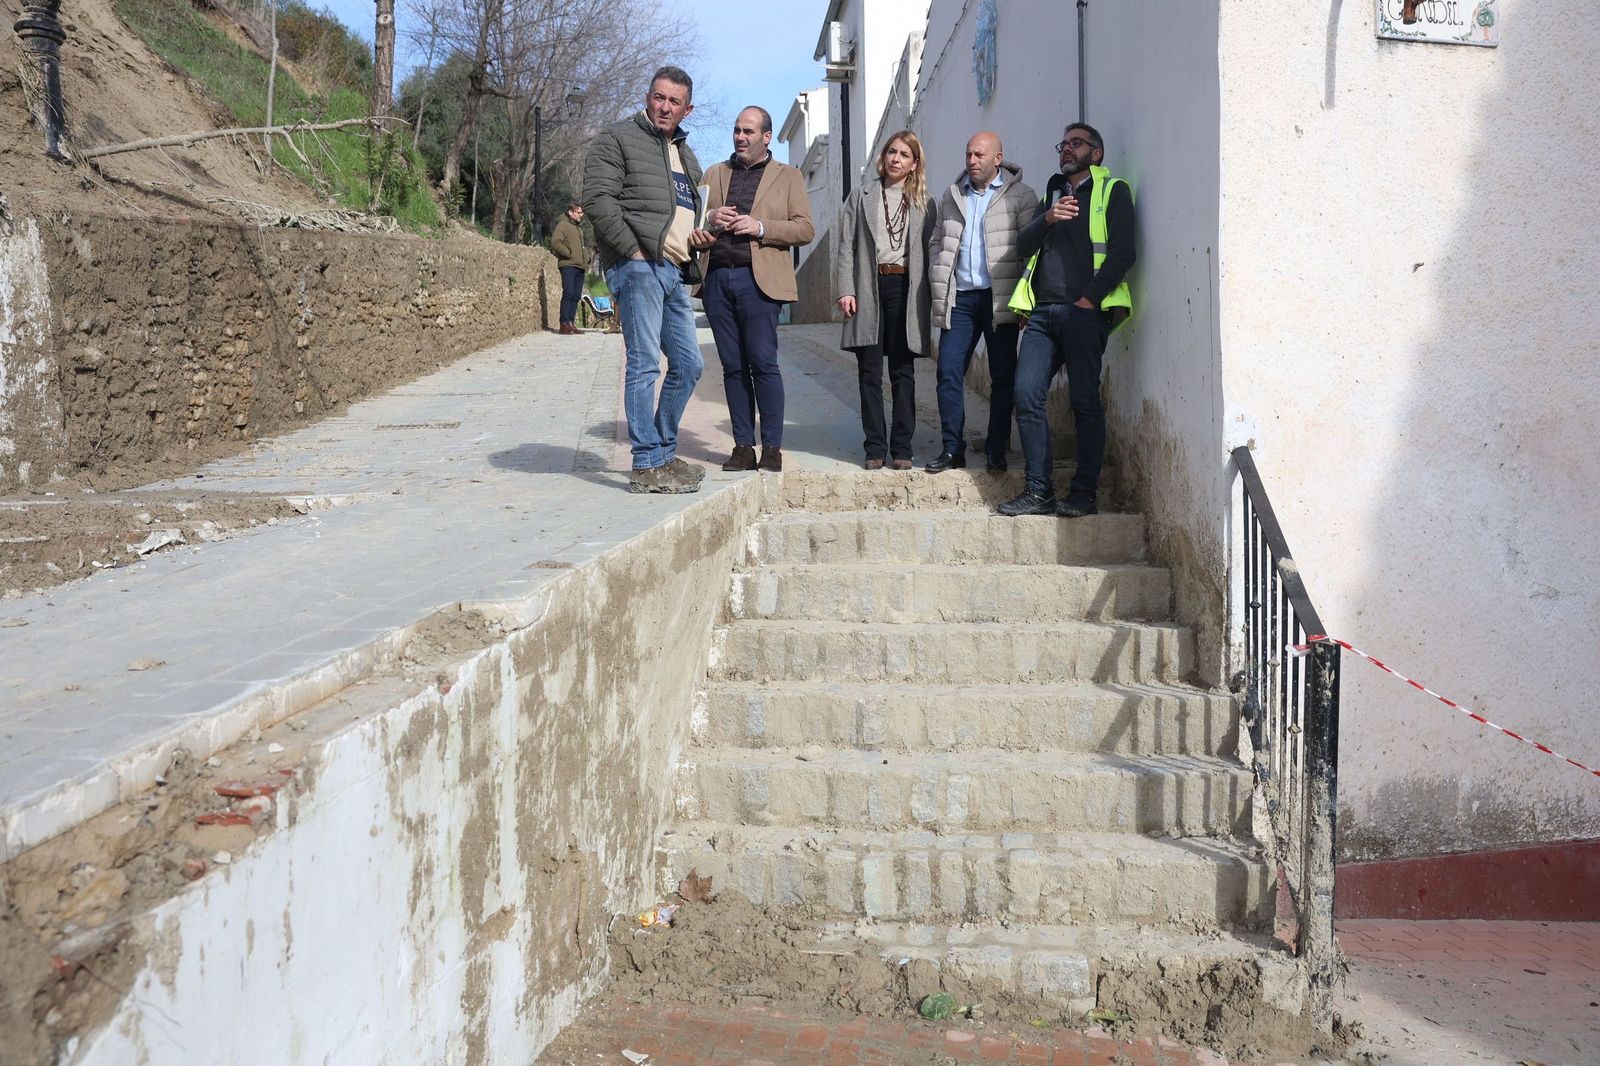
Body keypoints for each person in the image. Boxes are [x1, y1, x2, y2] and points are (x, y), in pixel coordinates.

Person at [998, 122, 1134, 518]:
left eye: (1077, 143)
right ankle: (1038, 491)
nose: (1067, 149)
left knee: (1084, 401)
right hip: (1042, 314)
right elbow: (1023, 246)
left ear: (1097, 152)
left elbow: (1124, 253)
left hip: (1083, 313)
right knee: (1026, 395)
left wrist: (1090, 299)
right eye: (1063, 144)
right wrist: (1048, 218)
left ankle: (1083, 492)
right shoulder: (1051, 194)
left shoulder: (1113, 191)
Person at [583, 65, 706, 495]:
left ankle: (663, 454)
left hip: (673, 270)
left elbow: (685, 214)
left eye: (674, 101)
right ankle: (645, 463)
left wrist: (700, 237)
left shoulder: (687, 156)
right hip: (638, 267)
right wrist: (634, 253)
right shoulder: (618, 138)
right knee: (644, 363)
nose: (664, 106)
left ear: (686, 109)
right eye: (659, 97)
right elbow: (597, 199)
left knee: (690, 366)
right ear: (648, 96)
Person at [690, 106, 815, 473]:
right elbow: (693, 226)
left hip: (759, 283)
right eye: (736, 130)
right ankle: (743, 446)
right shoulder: (714, 173)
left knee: (762, 363)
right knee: (732, 367)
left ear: (765, 136)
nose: (740, 137)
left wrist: (759, 227)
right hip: (716, 280)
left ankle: (771, 448)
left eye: (748, 131)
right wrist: (711, 220)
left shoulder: (788, 176)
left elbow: (805, 229)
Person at [925, 131, 1040, 473]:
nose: (971, 160)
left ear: (997, 159)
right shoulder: (952, 196)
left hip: (998, 298)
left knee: (1002, 376)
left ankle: (996, 448)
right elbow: (936, 239)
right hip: (960, 298)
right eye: (968, 154)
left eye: (979, 155)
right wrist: (937, 266)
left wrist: (1024, 300)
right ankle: (951, 448)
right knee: (948, 371)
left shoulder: (1021, 196)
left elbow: (1031, 250)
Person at [835, 131, 935, 470]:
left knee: (903, 372)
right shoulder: (861, 196)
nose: (895, 158)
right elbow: (846, 245)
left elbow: (929, 251)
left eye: (904, 154)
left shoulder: (924, 203)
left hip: (905, 288)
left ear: (914, 163)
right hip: (868, 286)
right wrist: (845, 288)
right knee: (869, 371)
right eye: (892, 151)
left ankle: (903, 448)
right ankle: (874, 447)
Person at [549, 201, 588, 335]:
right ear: (570, 212)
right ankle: (564, 323)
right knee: (569, 293)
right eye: (578, 212)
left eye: (581, 212)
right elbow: (555, 242)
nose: (581, 215)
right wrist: (568, 253)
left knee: (576, 295)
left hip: (580, 266)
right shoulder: (563, 225)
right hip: (568, 265)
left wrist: (586, 259)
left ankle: (571, 323)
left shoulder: (579, 228)